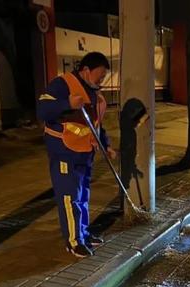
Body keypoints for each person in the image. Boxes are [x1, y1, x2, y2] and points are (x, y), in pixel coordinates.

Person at [37, 52, 117, 258]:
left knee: (82, 197)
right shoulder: (62, 85)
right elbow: (43, 110)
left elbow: (96, 124)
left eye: (104, 76)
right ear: (86, 70)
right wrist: (67, 104)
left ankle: (83, 233)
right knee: (69, 197)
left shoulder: (93, 92)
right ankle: (73, 242)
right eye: (100, 75)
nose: (102, 79)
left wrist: (105, 144)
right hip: (64, 151)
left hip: (84, 153)